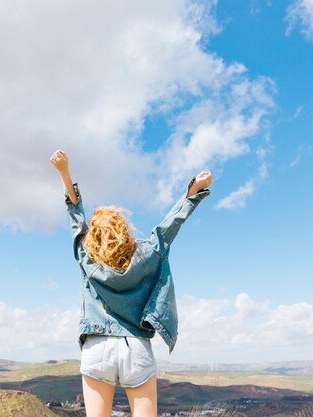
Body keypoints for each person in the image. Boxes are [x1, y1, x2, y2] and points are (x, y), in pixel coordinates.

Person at [50, 149, 211, 417]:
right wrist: (192, 193)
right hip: (135, 348)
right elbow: (167, 229)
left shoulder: (86, 257)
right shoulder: (146, 255)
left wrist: (64, 172)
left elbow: (76, 217)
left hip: (97, 348)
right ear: (123, 231)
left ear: (94, 237)